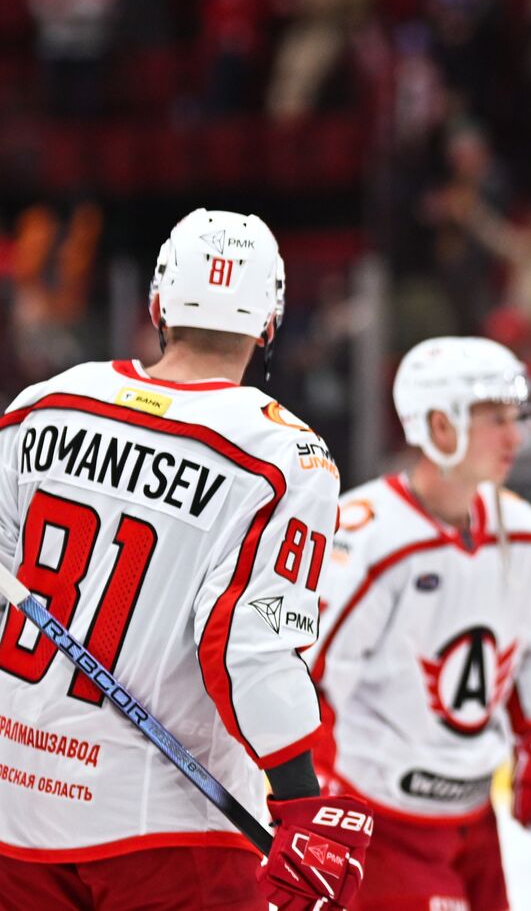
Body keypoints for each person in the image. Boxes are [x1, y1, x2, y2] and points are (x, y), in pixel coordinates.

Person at [0, 209, 371, 910]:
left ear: (157, 303)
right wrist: (298, 801)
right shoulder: (282, 456)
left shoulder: (43, 407)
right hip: (165, 835)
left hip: (15, 814)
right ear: (269, 322)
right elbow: (247, 646)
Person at [306, 337, 531, 911]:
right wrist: (315, 808)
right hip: (377, 825)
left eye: (515, 417)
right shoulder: (369, 537)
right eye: (495, 420)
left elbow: (529, 650)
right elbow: (315, 682)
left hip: (474, 825)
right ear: (439, 425)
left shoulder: (522, 529)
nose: (515, 437)